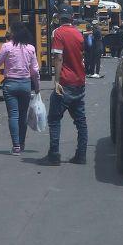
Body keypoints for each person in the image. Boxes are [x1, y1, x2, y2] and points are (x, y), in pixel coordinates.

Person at [0, 21, 40, 154]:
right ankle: (22, 143)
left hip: (10, 85)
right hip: (25, 84)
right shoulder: (30, 48)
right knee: (22, 116)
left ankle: (16, 146)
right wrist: (37, 87)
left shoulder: (7, 47)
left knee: (13, 115)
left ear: (14, 33)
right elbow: (35, 71)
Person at [40, 11, 88, 166]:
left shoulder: (59, 33)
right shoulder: (79, 34)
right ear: (72, 18)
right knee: (81, 122)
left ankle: (54, 154)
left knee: (54, 120)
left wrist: (57, 81)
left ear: (59, 18)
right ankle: (81, 155)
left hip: (65, 82)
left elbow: (58, 58)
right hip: (79, 82)